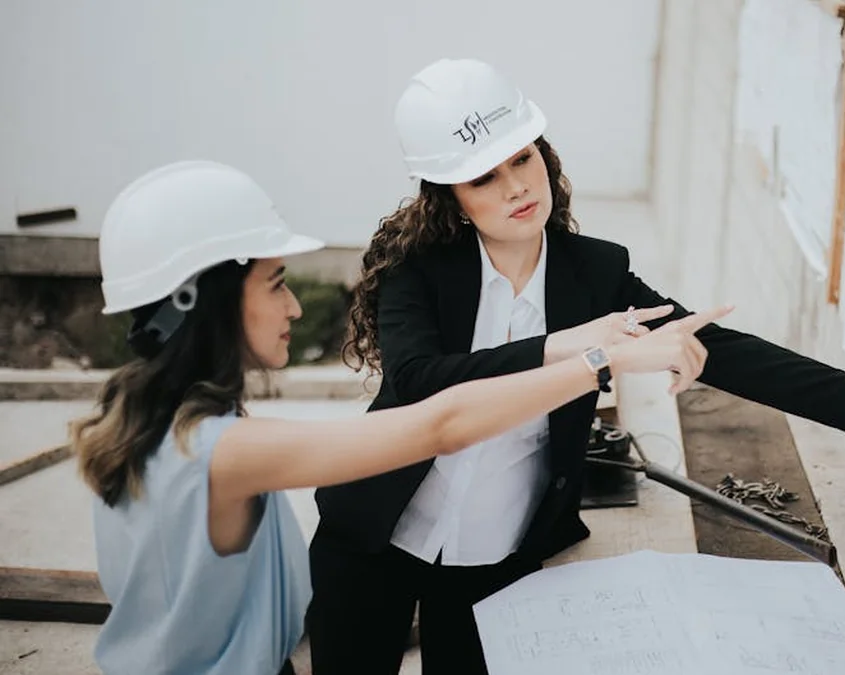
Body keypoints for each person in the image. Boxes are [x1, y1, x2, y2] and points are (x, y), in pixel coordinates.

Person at [307, 58, 845, 675]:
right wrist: (573, 347)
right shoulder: (418, 271)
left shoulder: (595, 272)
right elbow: (419, 381)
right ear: (451, 197)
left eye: (522, 158)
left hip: (495, 559)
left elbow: (720, 349)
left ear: (544, 155)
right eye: (484, 177)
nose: (516, 187)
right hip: (372, 538)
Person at [71, 160, 727, 675]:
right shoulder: (218, 449)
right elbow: (440, 425)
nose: (295, 306)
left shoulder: (141, 421)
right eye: (276, 282)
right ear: (208, 301)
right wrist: (601, 357)